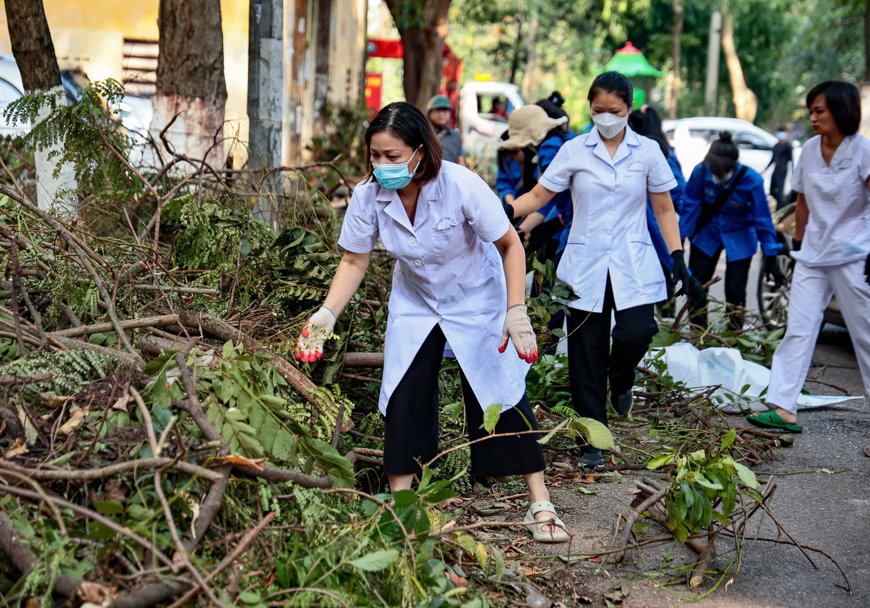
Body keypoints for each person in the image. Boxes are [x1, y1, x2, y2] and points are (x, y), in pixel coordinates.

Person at [295, 102, 569, 541]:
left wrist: (515, 309)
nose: (381, 165)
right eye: (375, 156)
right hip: (417, 302)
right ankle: (402, 508)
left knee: (499, 389)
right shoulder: (369, 196)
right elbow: (353, 259)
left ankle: (539, 503)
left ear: (420, 151)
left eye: (393, 156)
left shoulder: (460, 185)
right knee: (404, 391)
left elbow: (509, 245)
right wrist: (326, 313)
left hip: (477, 298)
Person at [507, 72, 706, 469]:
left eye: (614, 111)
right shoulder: (574, 151)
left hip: (633, 262)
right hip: (584, 263)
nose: (606, 118)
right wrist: (508, 210)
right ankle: (593, 438)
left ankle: (623, 376)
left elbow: (664, 208)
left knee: (638, 331)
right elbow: (541, 195)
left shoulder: (648, 151)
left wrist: (679, 256)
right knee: (586, 353)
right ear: (589, 109)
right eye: (598, 111)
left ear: (629, 109)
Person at [748, 81, 870, 433]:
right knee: (798, 330)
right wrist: (798, 242)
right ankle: (783, 407)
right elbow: (801, 200)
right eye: (811, 111)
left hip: (854, 255)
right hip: (814, 256)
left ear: (841, 112)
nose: (813, 117)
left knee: (865, 331)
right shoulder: (811, 150)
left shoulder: (865, 151)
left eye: (820, 111)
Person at [679, 132, 786, 330]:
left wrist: (771, 255)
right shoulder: (701, 172)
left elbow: (762, 219)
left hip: (740, 236)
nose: (720, 174)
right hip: (707, 234)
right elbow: (689, 207)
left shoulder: (751, 180)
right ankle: (698, 333)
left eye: (725, 170)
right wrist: (680, 241)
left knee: (735, 293)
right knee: (697, 288)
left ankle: (734, 335)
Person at [497, 104, 574, 263]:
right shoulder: (567, 140)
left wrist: (509, 212)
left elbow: (544, 195)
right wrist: (525, 226)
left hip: (575, 228)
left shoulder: (549, 149)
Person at [629, 106, 687, 300]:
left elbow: (673, 197)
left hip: (658, 231)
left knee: (661, 284)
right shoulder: (654, 151)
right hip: (651, 233)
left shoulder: (655, 153)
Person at [427, 95, 465, 165]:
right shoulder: (424, 133)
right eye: (438, 110)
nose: (441, 114)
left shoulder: (455, 136)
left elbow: (460, 161)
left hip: (451, 174)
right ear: (430, 113)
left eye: (445, 110)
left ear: (450, 113)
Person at [764, 126, 794, 208]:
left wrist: (793, 173)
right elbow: (772, 159)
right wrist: (765, 170)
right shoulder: (776, 146)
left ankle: (779, 207)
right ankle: (781, 203)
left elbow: (791, 160)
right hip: (776, 169)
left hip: (783, 170)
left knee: (780, 191)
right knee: (772, 189)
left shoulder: (788, 146)